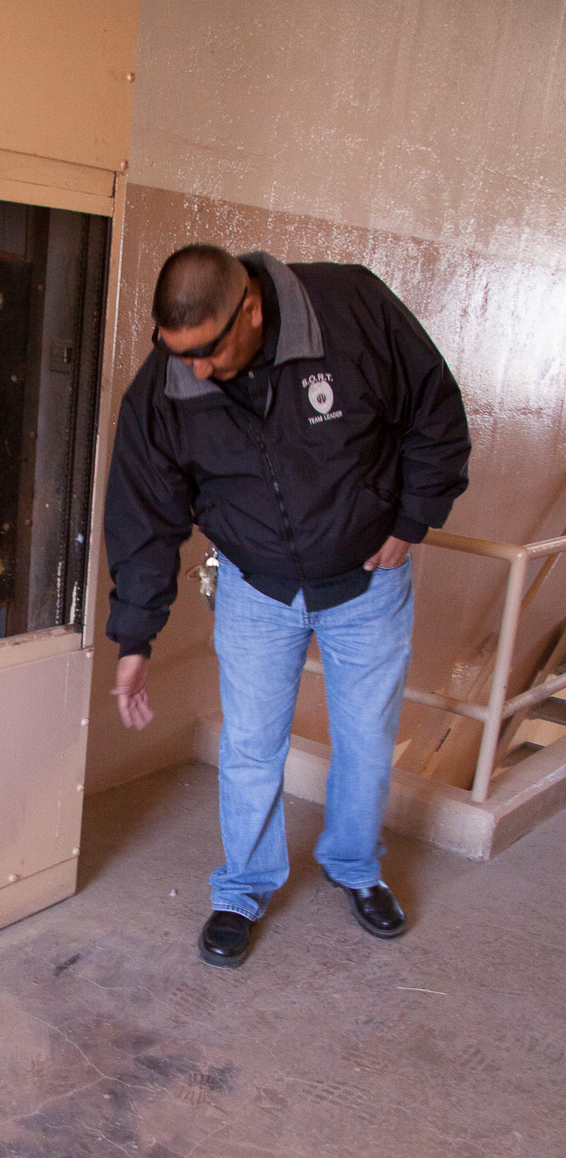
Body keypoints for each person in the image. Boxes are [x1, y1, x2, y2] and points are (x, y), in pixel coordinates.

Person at [104, 245, 470, 968]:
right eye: (179, 354)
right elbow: (145, 515)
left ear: (252, 310)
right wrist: (135, 638)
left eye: (207, 351)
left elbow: (434, 412)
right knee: (250, 747)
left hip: (366, 579)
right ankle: (242, 888)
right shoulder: (166, 384)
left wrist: (410, 525)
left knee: (366, 740)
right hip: (255, 587)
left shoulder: (352, 311)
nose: (195, 370)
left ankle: (356, 867)